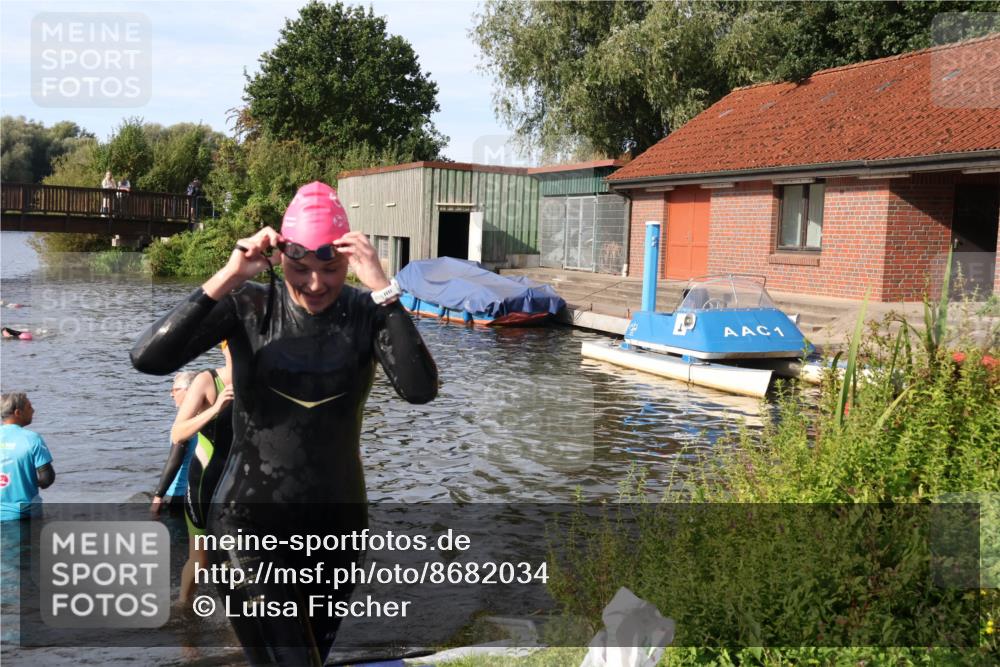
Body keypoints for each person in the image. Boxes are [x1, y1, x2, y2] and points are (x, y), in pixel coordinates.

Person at [131, 181, 438, 665]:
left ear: (349, 258)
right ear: (280, 256)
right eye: (300, 269)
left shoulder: (366, 312)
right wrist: (230, 274)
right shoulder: (248, 306)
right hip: (247, 523)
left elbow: (419, 389)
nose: (315, 284)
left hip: (337, 530)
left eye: (330, 269)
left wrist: (384, 289)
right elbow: (148, 358)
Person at [150, 370, 200, 517]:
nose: (171, 394)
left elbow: (174, 461)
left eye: (176, 390)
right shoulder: (204, 417)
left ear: (190, 391)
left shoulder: (185, 423)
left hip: (177, 495)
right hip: (197, 491)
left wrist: (158, 495)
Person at [0, 392, 55, 521]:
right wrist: (25, 481)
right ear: (18, 412)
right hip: (23, 515)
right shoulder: (32, 439)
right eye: (29, 407)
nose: (33, 410)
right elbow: (47, 479)